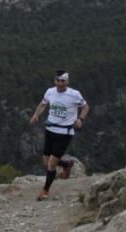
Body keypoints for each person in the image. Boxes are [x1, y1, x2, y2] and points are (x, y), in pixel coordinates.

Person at [29, 70, 89, 201]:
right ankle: (67, 165)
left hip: (64, 133)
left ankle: (45, 190)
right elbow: (43, 104)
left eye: (63, 81)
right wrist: (36, 115)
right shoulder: (50, 91)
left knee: (51, 164)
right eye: (58, 81)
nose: (60, 84)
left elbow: (85, 107)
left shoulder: (74, 94)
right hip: (50, 130)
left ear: (67, 81)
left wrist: (80, 119)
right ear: (54, 81)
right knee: (46, 161)